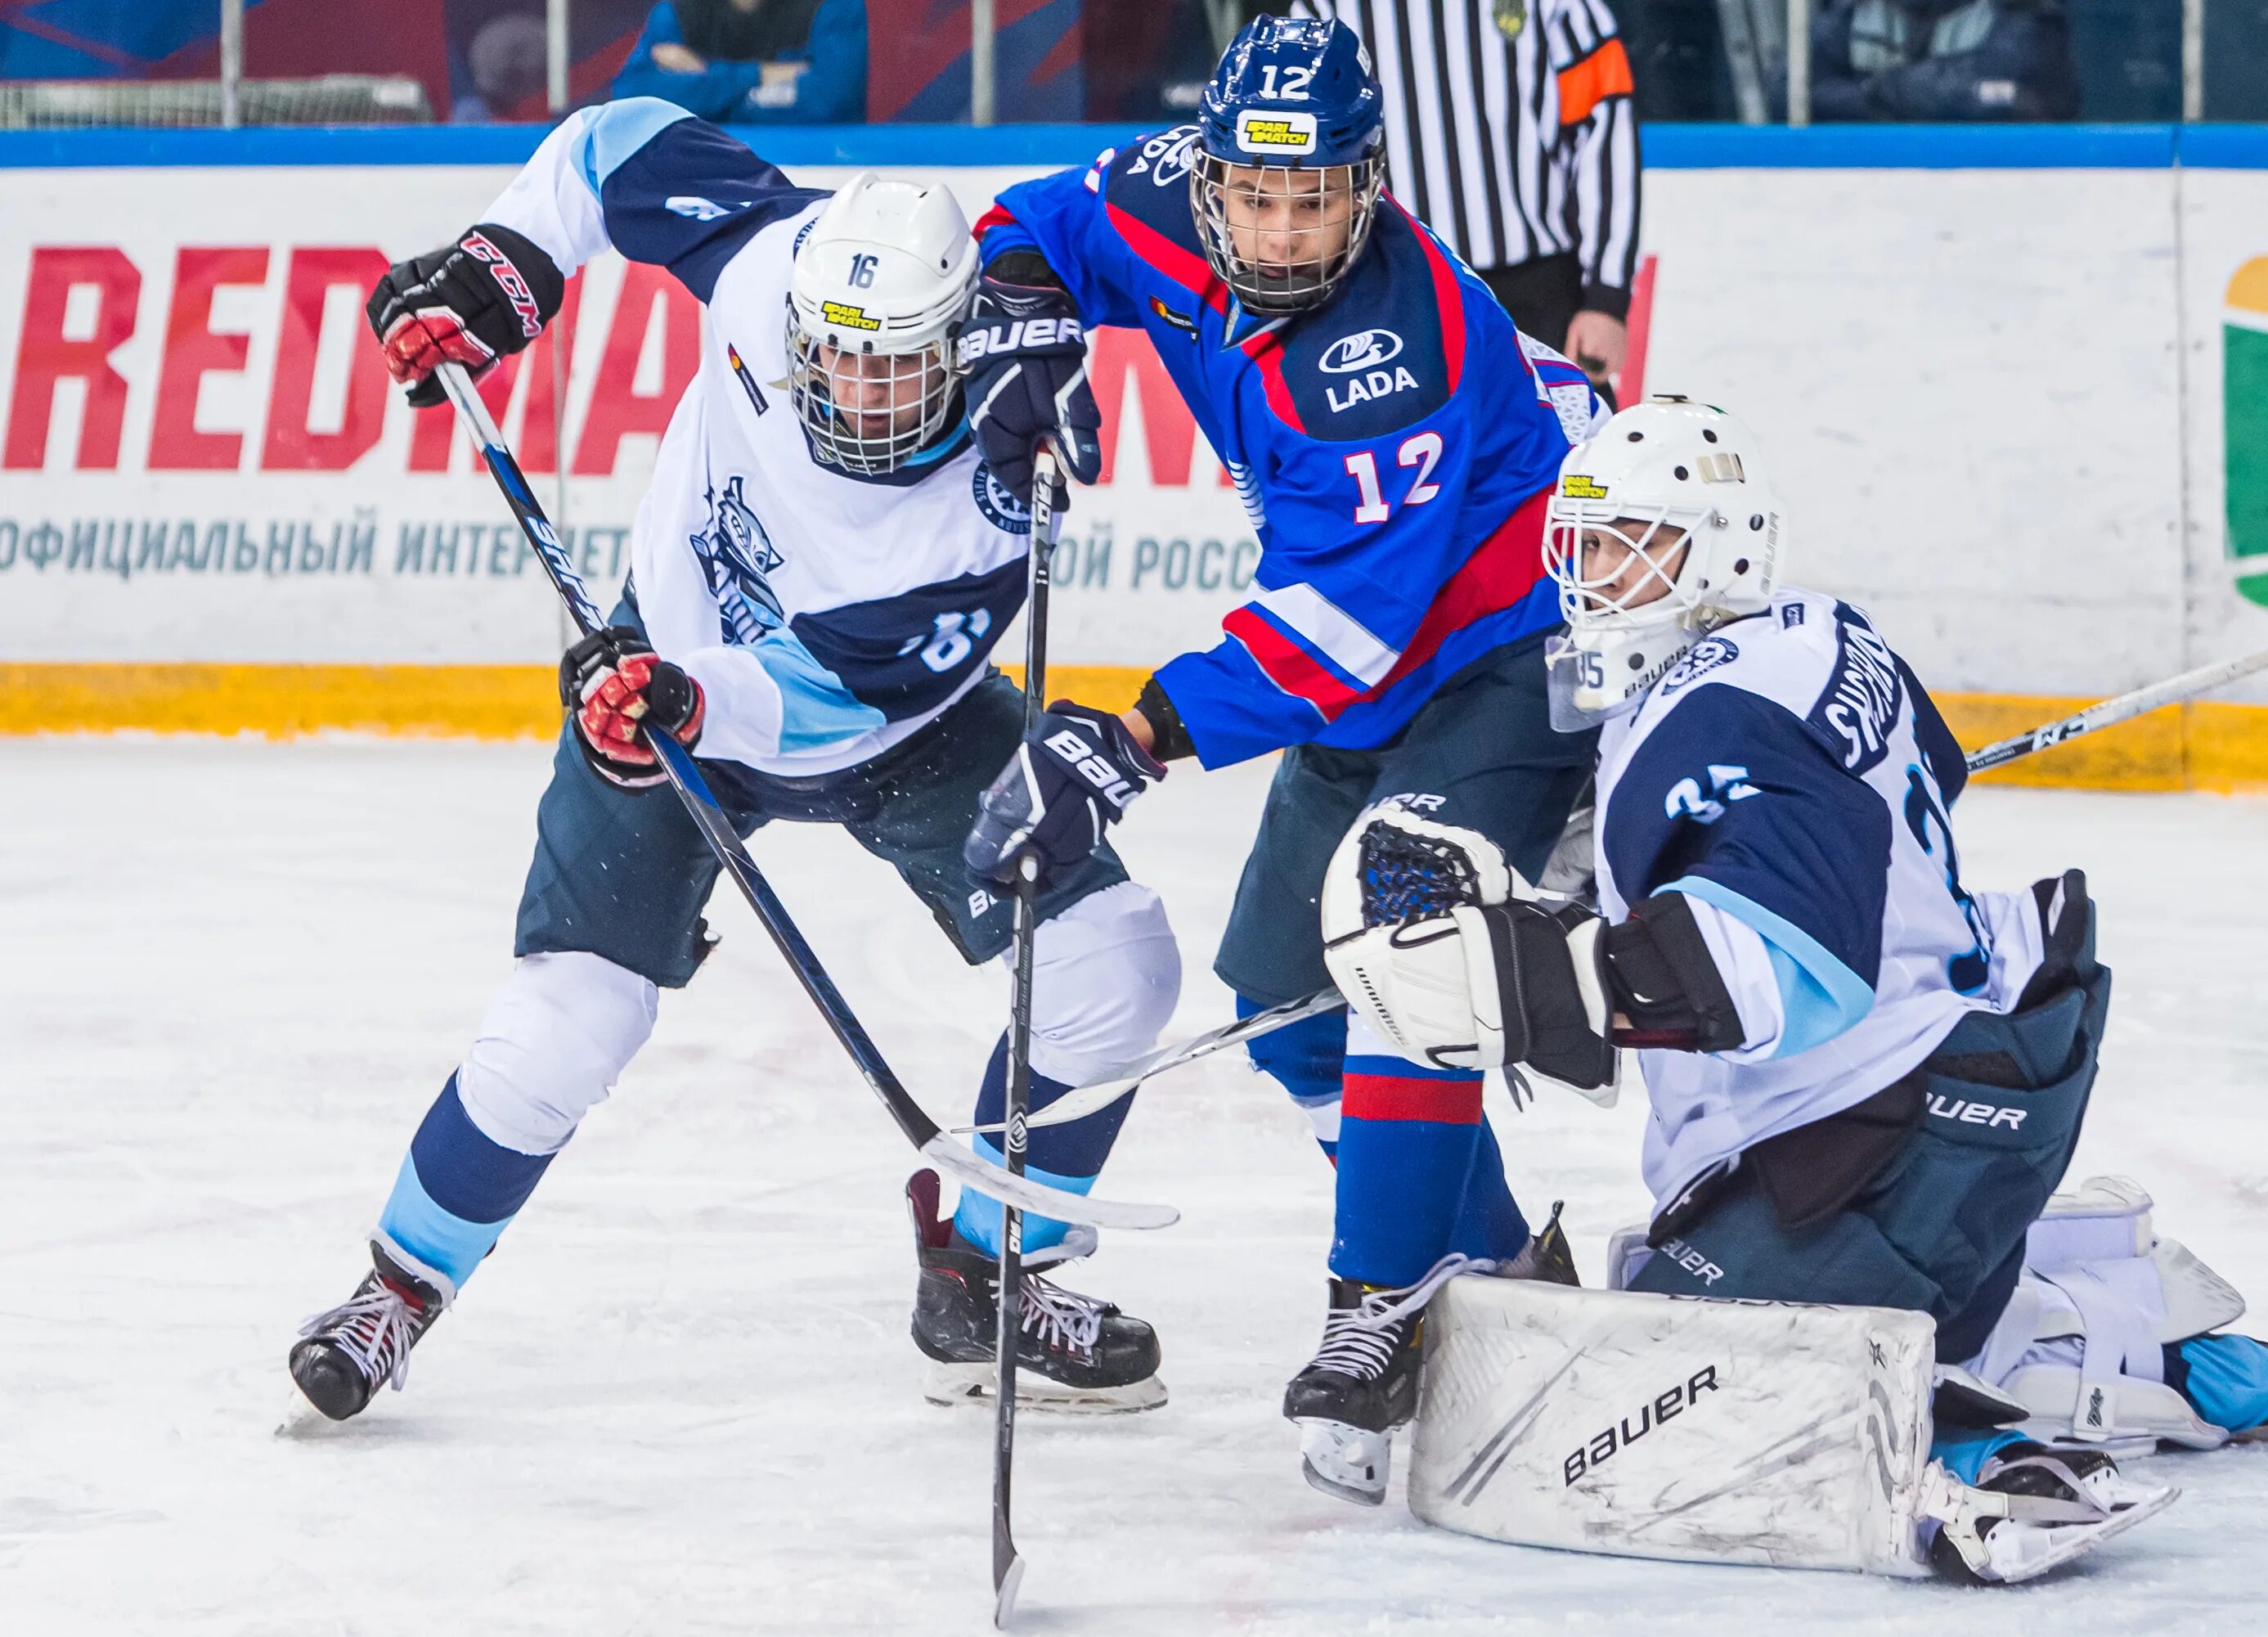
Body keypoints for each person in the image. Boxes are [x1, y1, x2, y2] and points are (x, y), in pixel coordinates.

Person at [1316, 396, 2268, 1581]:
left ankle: (2044, 1418)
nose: (1595, 578)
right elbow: (1918, 781)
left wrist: (1502, 971)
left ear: (1728, 549)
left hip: (1870, 1137)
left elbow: (1782, 978)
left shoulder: (1707, 715)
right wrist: (1638, 855)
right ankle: (2090, 1301)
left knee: (1661, 1389)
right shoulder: (1811, 631)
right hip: (1976, 1074)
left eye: (1633, 544)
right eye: (1585, 545)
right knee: (1724, 1302)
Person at [285, 99, 1181, 1425]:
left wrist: (685, 697)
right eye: (838, 362)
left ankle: (986, 1264)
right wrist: (505, 266)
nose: (861, 395)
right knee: (565, 1025)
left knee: (1118, 967)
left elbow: (825, 704)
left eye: (899, 368)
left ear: (960, 348)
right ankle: (399, 1288)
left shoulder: (992, 502)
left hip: (877, 727)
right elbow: (613, 144)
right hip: (660, 680)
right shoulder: (772, 270)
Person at [951, 14, 1606, 1502]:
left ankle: (1372, 1305)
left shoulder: (1388, 352)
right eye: (1258, 195)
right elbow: (1027, 222)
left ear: (1365, 185)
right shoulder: (1166, 188)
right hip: (1377, 667)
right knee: (1289, 1009)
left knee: (1401, 937)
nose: (1286, 226)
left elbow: (1336, 634)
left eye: (1317, 197)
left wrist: (1128, 740)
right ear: (1213, 177)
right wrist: (1025, 338)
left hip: (1503, 646)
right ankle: (1495, 1268)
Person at [1293, 0, 1641, 400]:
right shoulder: (1325, 7)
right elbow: (1308, 159)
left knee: (1578, 459)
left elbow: (1605, 131)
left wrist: (1607, 298)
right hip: (1394, 297)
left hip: (1538, 296)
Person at [1809, 0, 2079, 122]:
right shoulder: (1854, 12)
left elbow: (2002, 92)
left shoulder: (2023, 13)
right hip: (1871, 192)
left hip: (1999, 189)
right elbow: (1791, 92)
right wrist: (1884, 95)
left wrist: (1876, 94)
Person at [609, 0, 867, 124]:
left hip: (810, 168)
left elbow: (831, 103)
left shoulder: (833, 6)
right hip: (700, 166)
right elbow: (632, 95)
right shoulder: (679, 9)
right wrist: (760, 76)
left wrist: (701, 88)